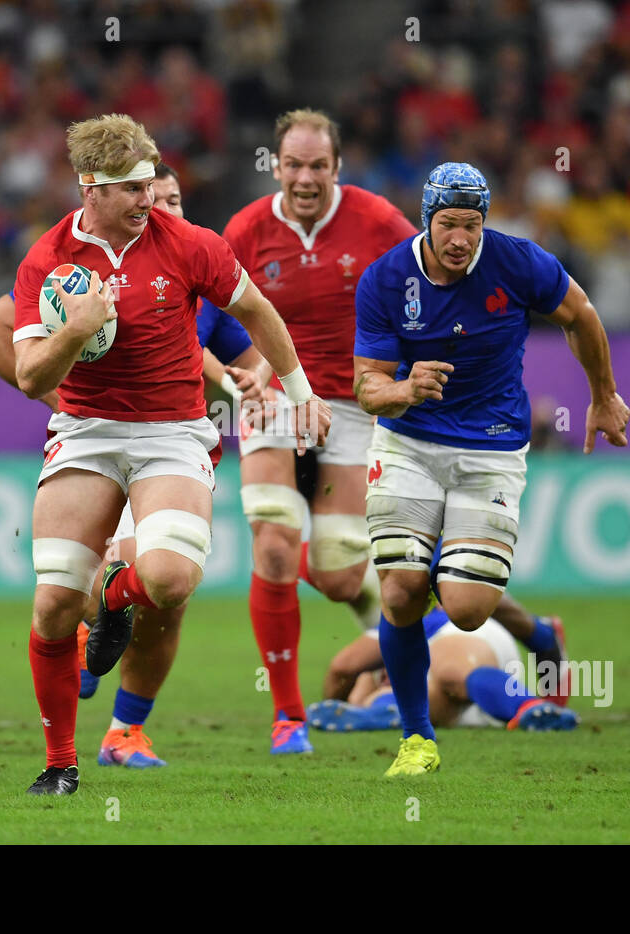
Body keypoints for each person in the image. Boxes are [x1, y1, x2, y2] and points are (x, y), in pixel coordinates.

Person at [10, 114, 329, 796]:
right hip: (87, 429)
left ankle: (115, 595)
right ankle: (60, 764)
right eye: (129, 188)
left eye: (151, 183)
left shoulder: (190, 244)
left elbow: (260, 312)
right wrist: (76, 333)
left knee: (168, 580)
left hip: (171, 433)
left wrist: (300, 393)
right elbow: (32, 377)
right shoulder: (47, 260)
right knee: (52, 609)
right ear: (89, 188)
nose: (145, 199)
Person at [0, 164, 268, 769]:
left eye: (174, 198)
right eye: (149, 196)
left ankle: (125, 729)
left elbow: (249, 344)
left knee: (169, 590)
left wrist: (257, 377)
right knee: (107, 578)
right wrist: (59, 392)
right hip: (98, 441)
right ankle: (90, 635)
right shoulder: (77, 269)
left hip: (174, 442)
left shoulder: (195, 261)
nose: (163, 208)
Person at [353, 161, 630, 777]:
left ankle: (517, 617)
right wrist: (404, 389)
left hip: (492, 447)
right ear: (426, 221)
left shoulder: (519, 262)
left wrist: (603, 395)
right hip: (408, 444)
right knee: (399, 595)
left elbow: (581, 315)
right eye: (448, 225)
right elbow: (366, 387)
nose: (460, 239)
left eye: (472, 226)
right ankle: (417, 740)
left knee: (468, 608)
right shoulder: (386, 279)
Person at [218, 109, 420, 755]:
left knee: (337, 576)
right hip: (274, 393)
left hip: (354, 405)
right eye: (294, 165)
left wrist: (404, 379)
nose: (305, 178)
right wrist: (240, 380)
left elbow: (426, 295)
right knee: (274, 542)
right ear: (275, 166)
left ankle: (405, 595)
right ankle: (288, 718)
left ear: (338, 167)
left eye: (318, 166)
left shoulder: (381, 223)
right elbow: (213, 318)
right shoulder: (246, 229)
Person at [307, 604, 579, 732]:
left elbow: (342, 667)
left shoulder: (425, 617)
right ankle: (381, 713)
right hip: (458, 701)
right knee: (407, 696)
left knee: (448, 669)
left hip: (472, 644)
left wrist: (332, 701)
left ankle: (529, 706)